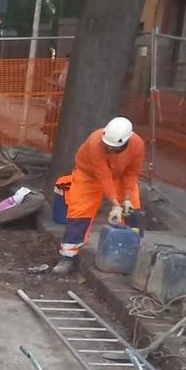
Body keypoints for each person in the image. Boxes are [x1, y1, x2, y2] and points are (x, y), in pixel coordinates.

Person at [54, 116, 146, 274]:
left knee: (133, 212)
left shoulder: (137, 145)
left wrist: (127, 199)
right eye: (107, 146)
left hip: (120, 175)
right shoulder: (95, 142)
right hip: (88, 174)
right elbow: (103, 176)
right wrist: (116, 204)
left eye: (113, 148)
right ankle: (68, 256)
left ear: (126, 141)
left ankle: (131, 254)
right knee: (79, 212)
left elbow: (132, 173)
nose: (109, 150)